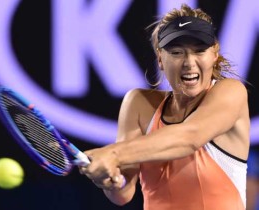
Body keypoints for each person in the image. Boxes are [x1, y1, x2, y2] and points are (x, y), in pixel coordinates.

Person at [79, 4, 250, 210]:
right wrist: (110, 179)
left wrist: (113, 154)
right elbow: (123, 193)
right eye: (177, 52)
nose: (189, 62)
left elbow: (189, 137)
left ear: (214, 54)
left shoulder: (231, 92)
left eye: (199, 51)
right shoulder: (138, 104)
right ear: (160, 58)